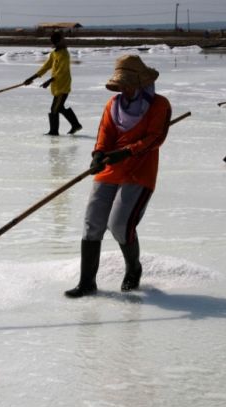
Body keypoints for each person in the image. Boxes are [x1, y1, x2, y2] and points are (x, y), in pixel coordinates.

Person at [65, 55, 172, 298]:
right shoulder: (113, 105)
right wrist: (99, 154)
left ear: (140, 82)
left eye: (127, 83)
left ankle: (134, 270)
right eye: (120, 84)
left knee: (120, 226)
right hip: (110, 168)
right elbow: (105, 133)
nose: (123, 88)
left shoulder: (159, 105)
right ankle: (87, 283)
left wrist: (124, 152)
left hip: (139, 171)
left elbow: (155, 138)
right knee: (93, 223)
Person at [24, 30, 82, 136]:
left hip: (63, 85)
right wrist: (31, 78)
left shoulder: (64, 54)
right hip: (57, 86)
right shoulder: (54, 53)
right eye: (62, 39)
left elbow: (61, 71)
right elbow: (45, 67)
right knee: (59, 107)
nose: (65, 41)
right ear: (58, 42)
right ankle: (75, 125)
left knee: (55, 109)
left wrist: (49, 81)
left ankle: (54, 131)